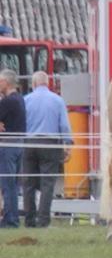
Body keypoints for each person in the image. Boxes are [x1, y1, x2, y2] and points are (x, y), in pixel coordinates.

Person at [23, 71, 73, 228]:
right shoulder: (57, 100)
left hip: (29, 143)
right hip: (50, 143)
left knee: (28, 183)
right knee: (47, 183)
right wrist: (67, 144)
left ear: (34, 83)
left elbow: (22, 123)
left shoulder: (26, 100)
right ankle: (43, 220)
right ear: (48, 83)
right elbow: (64, 125)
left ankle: (29, 220)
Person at [0, 69, 26, 227]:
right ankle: (12, 216)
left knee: (7, 183)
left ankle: (10, 219)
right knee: (13, 184)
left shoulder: (7, 102)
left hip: (7, 145)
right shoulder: (20, 99)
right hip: (18, 144)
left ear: (6, 82)